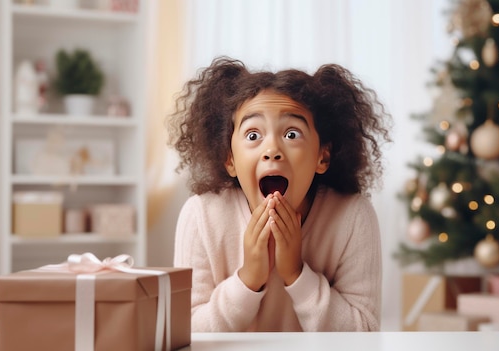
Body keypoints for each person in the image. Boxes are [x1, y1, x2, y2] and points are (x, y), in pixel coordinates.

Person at [167, 56, 391, 332]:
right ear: (230, 159)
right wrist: (248, 278)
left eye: (292, 134)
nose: (272, 149)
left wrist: (296, 274)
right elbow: (185, 332)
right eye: (253, 135)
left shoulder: (353, 216)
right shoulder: (201, 215)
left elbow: (365, 333)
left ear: (323, 156)